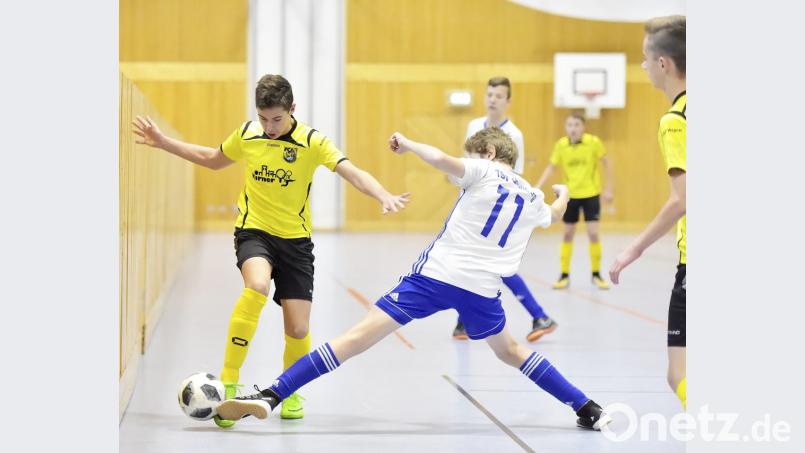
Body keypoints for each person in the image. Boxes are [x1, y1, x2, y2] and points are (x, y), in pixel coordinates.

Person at [216, 127, 611, 431]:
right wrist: (561, 190)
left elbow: (441, 159)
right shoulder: (532, 196)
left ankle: (272, 395)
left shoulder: (484, 169)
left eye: (471, 155)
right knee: (510, 352)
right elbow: (556, 213)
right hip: (482, 289)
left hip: (436, 276)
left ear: (489, 153)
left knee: (355, 338)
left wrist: (409, 144)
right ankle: (586, 407)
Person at [132, 74, 409, 427]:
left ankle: (290, 390)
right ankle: (229, 384)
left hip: (295, 243)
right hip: (254, 232)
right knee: (258, 286)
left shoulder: (311, 142)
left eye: (277, 119)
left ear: (292, 109)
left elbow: (352, 172)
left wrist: (382, 194)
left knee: (297, 328)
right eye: (264, 118)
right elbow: (212, 159)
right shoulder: (248, 134)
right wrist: (162, 142)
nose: (269, 126)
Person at [608, 15, 686, 409]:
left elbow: (682, 199)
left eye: (644, 59)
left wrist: (632, 249)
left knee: (679, 375)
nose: (641, 67)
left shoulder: (676, 120)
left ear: (664, 64)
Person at [453, 76, 557, 342]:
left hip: (497, 212)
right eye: (489, 94)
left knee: (492, 264)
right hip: (472, 207)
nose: (492, 99)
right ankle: (465, 322)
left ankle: (538, 315)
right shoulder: (474, 126)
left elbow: (515, 180)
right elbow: (468, 167)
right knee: (475, 262)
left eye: (498, 96)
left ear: (507, 101)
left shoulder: (514, 135)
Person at [536, 113, 614, 290]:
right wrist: (539, 185)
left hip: (591, 194)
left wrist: (609, 189)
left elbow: (607, 163)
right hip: (570, 196)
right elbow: (551, 166)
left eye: (577, 124)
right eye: (569, 125)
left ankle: (596, 275)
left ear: (583, 127)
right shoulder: (561, 145)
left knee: (593, 234)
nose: (573, 128)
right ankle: (564, 275)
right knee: (567, 234)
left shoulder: (593, 142)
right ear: (566, 127)